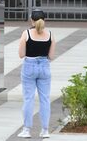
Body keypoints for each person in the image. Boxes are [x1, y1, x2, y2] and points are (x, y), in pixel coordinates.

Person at [17, 9, 56, 139]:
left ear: (31, 20)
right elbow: (51, 56)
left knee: (28, 99)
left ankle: (27, 129)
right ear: (44, 20)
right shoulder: (50, 34)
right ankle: (45, 130)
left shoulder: (26, 33)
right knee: (45, 99)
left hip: (29, 66)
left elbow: (21, 54)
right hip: (44, 66)